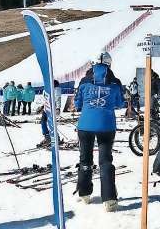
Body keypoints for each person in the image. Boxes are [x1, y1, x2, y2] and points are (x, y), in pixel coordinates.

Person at [74, 51, 124, 212]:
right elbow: (120, 103)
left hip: (85, 125)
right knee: (105, 161)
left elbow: (77, 103)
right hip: (106, 125)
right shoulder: (115, 83)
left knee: (85, 159)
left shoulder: (84, 81)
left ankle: (84, 193)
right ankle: (109, 200)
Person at [38, 80, 62, 147]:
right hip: (46, 108)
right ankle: (47, 137)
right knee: (43, 122)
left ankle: (56, 137)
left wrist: (58, 108)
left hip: (52, 108)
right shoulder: (47, 89)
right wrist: (42, 106)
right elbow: (46, 99)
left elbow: (58, 98)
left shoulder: (56, 89)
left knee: (51, 123)